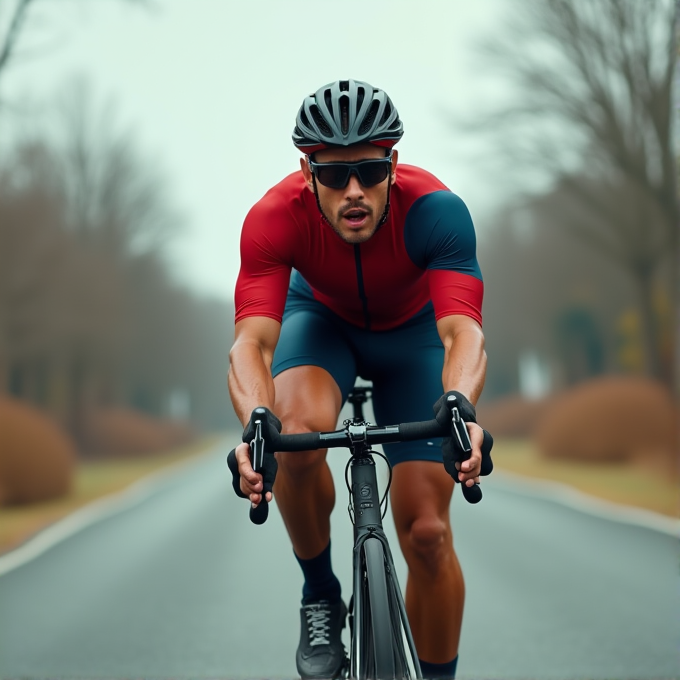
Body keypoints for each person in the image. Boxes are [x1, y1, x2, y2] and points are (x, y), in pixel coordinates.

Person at [228, 79, 490, 680]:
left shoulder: (437, 211)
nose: (354, 191)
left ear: (394, 165)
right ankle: (319, 592)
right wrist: (255, 422)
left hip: (414, 339)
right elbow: (252, 342)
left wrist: (461, 407)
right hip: (321, 326)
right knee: (293, 434)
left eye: (370, 171)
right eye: (333, 174)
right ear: (306, 170)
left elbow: (461, 333)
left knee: (427, 533)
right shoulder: (273, 218)